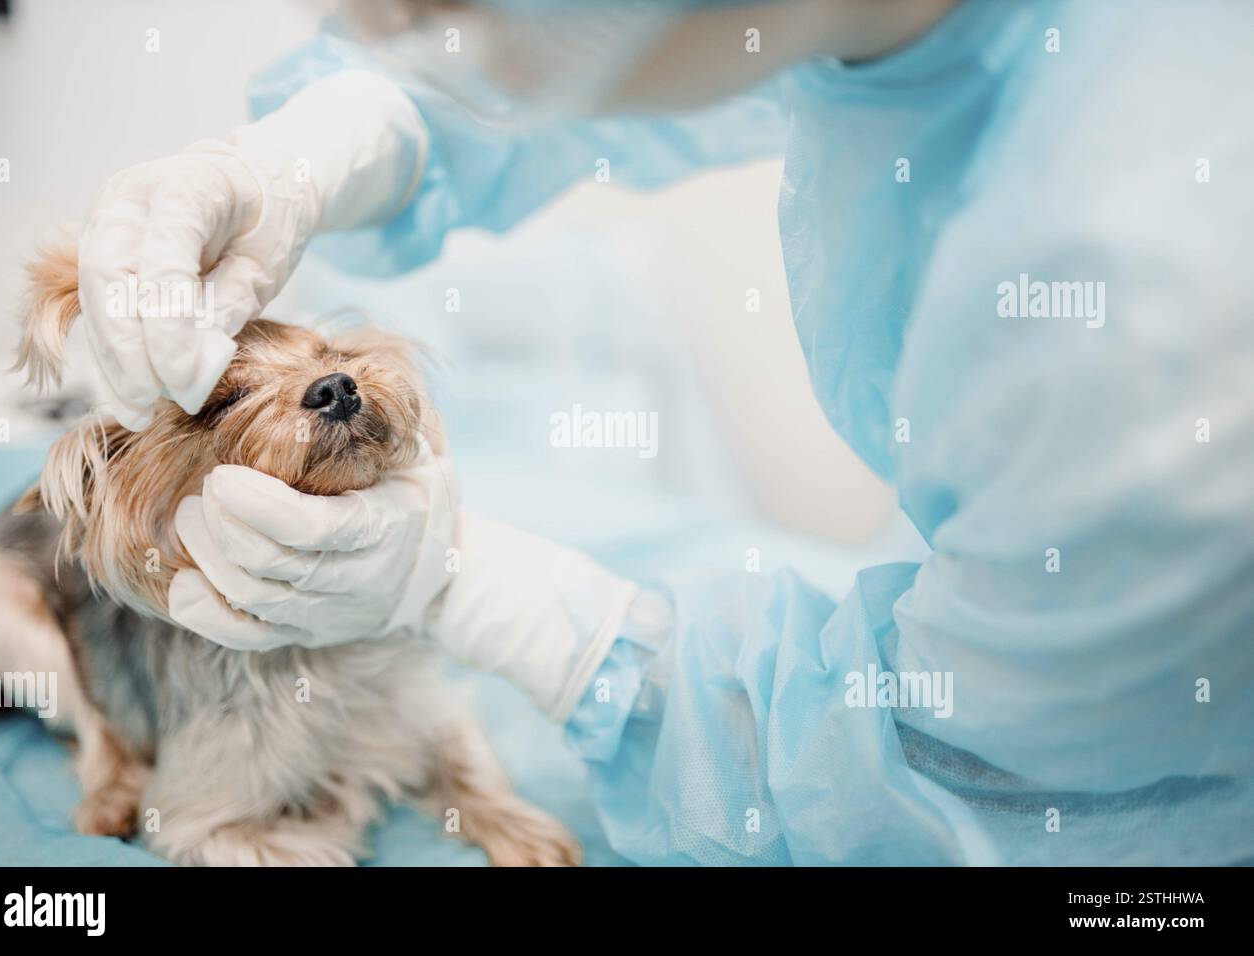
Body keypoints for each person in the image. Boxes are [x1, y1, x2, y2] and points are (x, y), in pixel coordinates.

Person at [72, 0, 1254, 865]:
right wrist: (328, 142)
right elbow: (594, 63)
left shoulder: (1148, 298)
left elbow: (974, 776)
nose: (381, 17)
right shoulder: (883, 33)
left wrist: (483, 592)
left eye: (441, 2)